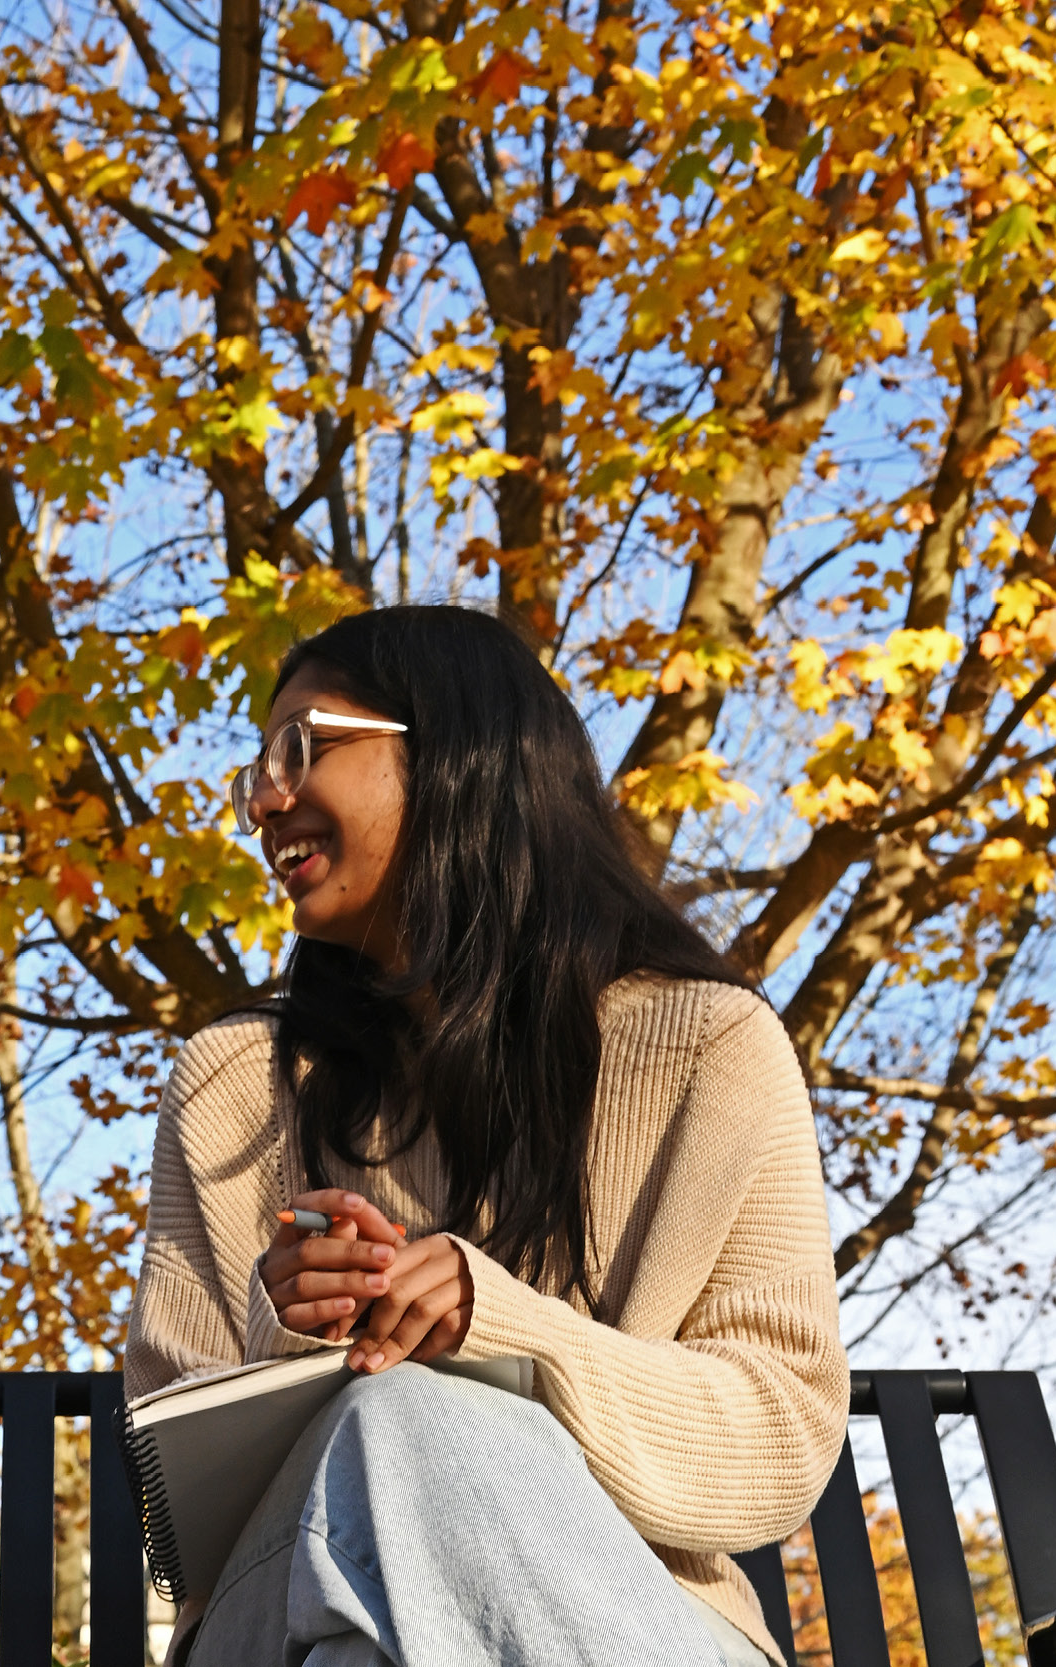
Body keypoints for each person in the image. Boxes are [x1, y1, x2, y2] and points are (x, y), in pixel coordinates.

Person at [127, 606, 847, 1667]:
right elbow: (170, 1522)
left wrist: (509, 1332)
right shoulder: (230, 1084)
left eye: (301, 747)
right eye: (257, 772)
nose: (266, 799)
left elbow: (778, 1439)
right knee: (395, 1425)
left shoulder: (707, 1045)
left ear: (457, 750)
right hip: (268, 1614)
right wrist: (294, 1335)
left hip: (633, 1620)